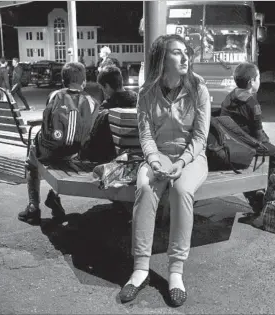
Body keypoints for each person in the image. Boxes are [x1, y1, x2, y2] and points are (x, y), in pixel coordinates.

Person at [118, 34, 210, 307]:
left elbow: (200, 137)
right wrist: (154, 160)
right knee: (145, 188)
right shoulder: (147, 92)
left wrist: (181, 163)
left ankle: (176, 272)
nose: (185, 58)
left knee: (181, 190)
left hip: (191, 157)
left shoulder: (198, 89)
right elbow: (145, 135)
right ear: (162, 59)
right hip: (158, 156)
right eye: (177, 53)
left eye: (186, 53)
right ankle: (140, 269)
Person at [18, 62, 99, 225]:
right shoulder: (92, 102)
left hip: (49, 151)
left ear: (63, 80)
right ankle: (53, 198)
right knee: (62, 158)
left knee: (31, 162)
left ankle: (33, 207)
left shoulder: (55, 95)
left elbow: (47, 125)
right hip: (76, 154)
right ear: (83, 81)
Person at [220, 62, 275, 212]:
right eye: (258, 78)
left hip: (230, 145)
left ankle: (254, 193)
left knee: (267, 152)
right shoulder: (252, 103)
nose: (259, 81)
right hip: (249, 146)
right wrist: (267, 141)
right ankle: (269, 192)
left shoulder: (229, 97)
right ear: (251, 82)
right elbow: (259, 135)